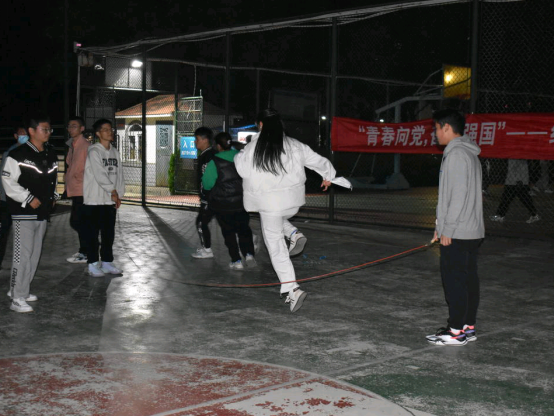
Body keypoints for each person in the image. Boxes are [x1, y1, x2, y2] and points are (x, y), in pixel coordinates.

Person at [234, 108, 336, 313]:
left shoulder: (253, 147)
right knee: (275, 217)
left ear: (260, 125)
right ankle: (293, 233)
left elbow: (241, 169)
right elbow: (316, 160)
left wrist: (243, 151)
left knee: (276, 247)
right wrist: (328, 175)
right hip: (292, 203)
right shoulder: (294, 144)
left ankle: (292, 289)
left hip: (268, 203)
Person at [427, 109, 485, 346]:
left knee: (454, 282)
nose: (435, 133)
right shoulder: (468, 152)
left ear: (447, 128)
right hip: (470, 230)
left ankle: (455, 331)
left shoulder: (457, 154)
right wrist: (439, 226)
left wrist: (448, 229)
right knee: (468, 279)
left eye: (436, 128)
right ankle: (467, 327)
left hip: (458, 231)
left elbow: (457, 195)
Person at [3, 115, 59, 313]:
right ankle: (16, 297)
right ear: (32, 131)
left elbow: (52, 179)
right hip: (23, 212)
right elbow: (8, 182)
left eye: (49, 129)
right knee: (22, 255)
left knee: (34, 255)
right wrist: (27, 198)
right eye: (44, 129)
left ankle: (23, 290)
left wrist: (53, 196)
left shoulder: (50, 153)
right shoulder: (17, 154)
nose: (48, 132)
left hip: (42, 212)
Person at [202, 132, 256, 270]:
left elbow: (207, 183)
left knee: (228, 232)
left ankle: (236, 261)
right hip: (242, 201)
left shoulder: (214, 162)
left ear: (219, 146)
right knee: (244, 229)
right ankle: (249, 254)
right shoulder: (241, 157)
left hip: (223, 204)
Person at [82, 119, 125, 277]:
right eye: (105, 129)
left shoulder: (114, 152)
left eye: (110, 129)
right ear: (98, 133)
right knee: (93, 234)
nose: (110, 132)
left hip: (109, 200)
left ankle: (107, 262)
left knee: (108, 234)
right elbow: (100, 174)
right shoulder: (94, 151)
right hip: (94, 200)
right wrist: (112, 190)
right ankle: (93, 264)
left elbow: (119, 174)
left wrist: (119, 194)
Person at [0, 125, 28, 268]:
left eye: (25, 133)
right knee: (3, 233)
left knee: (22, 236)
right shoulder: (10, 153)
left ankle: (20, 267)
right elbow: (5, 179)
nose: (24, 136)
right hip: (7, 200)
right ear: (15, 136)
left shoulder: (30, 152)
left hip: (23, 200)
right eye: (21, 133)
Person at [65, 116, 91, 264]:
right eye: (69, 126)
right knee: (80, 222)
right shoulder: (72, 145)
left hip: (83, 189)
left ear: (82, 129)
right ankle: (85, 250)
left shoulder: (86, 146)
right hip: (75, 189)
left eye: (74, 126)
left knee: (77, 221)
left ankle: (88, 250)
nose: (70, 129)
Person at [191, 127, 217, 259]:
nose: (195, 142)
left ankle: (207, 250)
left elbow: (208, 179)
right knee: (227, 222)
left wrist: (206, 196)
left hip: (210, 197)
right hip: (211, 197)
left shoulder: (208, 156)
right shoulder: (207, 154)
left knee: (201, 222)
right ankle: (250, 237)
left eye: (197, 139)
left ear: (205, 140)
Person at [490, 159, 540, 224]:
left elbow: (520, 168)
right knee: (516, 198)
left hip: (516, 181)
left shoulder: (518, 157)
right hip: (514, 180)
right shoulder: (515, 157)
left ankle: (500, 215)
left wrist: (519, 180)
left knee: (511, 198)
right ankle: (500, 215)